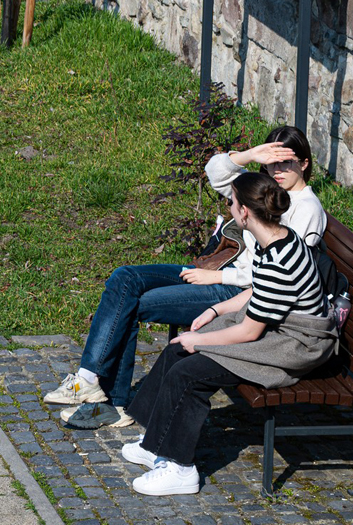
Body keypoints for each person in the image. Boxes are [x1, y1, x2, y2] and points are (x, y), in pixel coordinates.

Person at [43, 127, 326, 430]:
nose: (277, 169)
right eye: (271, 161)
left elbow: (278, 276)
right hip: (218, 274)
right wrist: (249, 155)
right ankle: (88, 378)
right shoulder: (262, 189)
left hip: (235, 289)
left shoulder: (305, 210)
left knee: (135, 304)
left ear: (305, 164)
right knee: (125, 279)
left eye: (287, 162)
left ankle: (115, 404)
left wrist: (217, 277)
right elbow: (214, 172)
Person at [119, 169, 339, 495]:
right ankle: (155, 443)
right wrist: (215, 310)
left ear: (245, 212)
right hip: (276, 328)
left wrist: (201, 339)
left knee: (190, 373)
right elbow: (256, 289)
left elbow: (249, 333)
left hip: (296, 343)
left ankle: (180, 469)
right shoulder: (276, 239)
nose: (230, 209)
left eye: (232, 203)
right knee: (176, 350)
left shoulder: (281, 257)